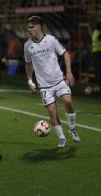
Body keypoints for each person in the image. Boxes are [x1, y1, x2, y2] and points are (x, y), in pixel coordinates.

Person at [24, 16, 80, 148]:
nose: (29, 30)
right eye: (28, 27)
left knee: (68, 101)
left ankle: (72, 128)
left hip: (59, 80)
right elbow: (28, 63)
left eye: (32, 27)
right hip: (44, 86)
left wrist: (68, 72)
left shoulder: (51, 40)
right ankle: (62, 139)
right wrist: (30, 80)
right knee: (52, 112)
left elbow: (65, 53)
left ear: (39, 27)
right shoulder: (27, 45)